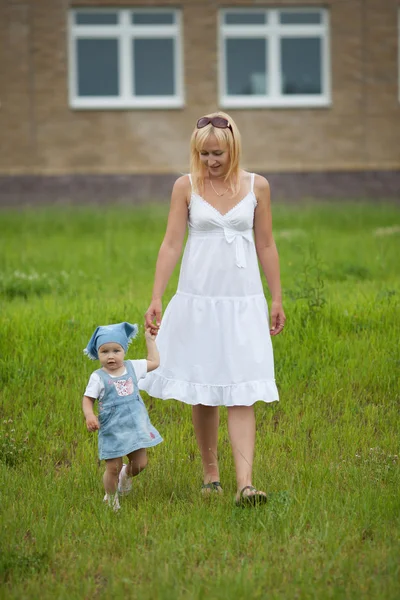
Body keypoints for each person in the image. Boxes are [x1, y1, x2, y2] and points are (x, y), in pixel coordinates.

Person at [140, 111, 285, 506]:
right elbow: (170, 244)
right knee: (204, 390)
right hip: (198, 301)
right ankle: (211, 477)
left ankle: (246, 485)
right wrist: (157, 296)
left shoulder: (259, 186)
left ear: (233, 147)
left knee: (242, 389)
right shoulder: (185, 187)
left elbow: (266, 245)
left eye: (217, 153)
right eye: (203, 154)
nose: (210, 162)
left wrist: (276, 297)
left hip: (243, 304)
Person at [82, 322, 162, 511]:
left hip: (134, 426)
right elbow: (87, 399)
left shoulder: (133, 367)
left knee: (141, 463)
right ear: (98, 354)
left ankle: (125, 476)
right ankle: (111, 499)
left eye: (116, 350)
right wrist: (89, 415)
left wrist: (150, 340)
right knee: (113, 467)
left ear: (124, 350)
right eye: (105, 351)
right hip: (113, 429)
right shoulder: (98, 377)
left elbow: (155, 362)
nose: (111, 356)